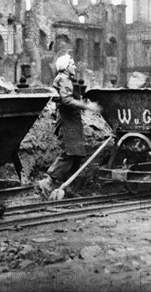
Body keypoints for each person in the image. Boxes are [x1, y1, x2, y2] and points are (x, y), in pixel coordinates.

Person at [37, 54, 102, 197]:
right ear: (65, 67)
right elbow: (66, 100)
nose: (75, 66)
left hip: (73, 121)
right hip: (67, 122)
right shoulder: (63, 79)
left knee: (77, 153)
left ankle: (67, 185)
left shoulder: (67, 79)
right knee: (69, 153)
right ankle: (48, 181)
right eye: (72, 64)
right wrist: (86, 106)